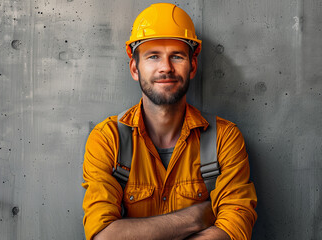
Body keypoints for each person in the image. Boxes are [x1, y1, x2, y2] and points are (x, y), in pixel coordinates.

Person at [81, 3, 257, 240]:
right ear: (135, 68)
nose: (166, 67)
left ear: (192, 65)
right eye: (153, 56)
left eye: (176, 56)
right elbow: (103, 236)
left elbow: (234, 229)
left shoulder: (224, 138)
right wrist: (195, 217)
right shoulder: (107, 138)